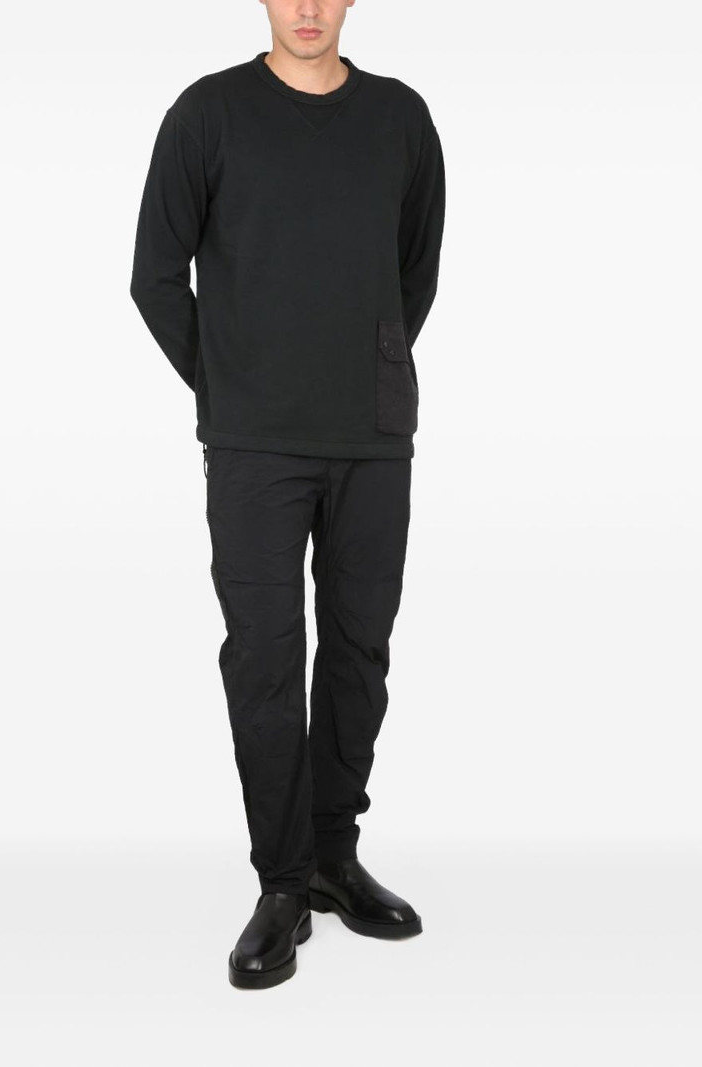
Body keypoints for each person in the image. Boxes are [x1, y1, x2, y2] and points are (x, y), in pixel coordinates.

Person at [129, 0, 446, 990]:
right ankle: (281, 882)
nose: (306, 8)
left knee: (358, 649)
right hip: (254, 446)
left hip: (370, 437)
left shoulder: (401, 119)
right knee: (265, 659)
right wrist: (232, 385)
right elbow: (153, 277)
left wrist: (367, 365)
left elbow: (414, 271)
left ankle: (332, 859)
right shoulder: (207, 115)